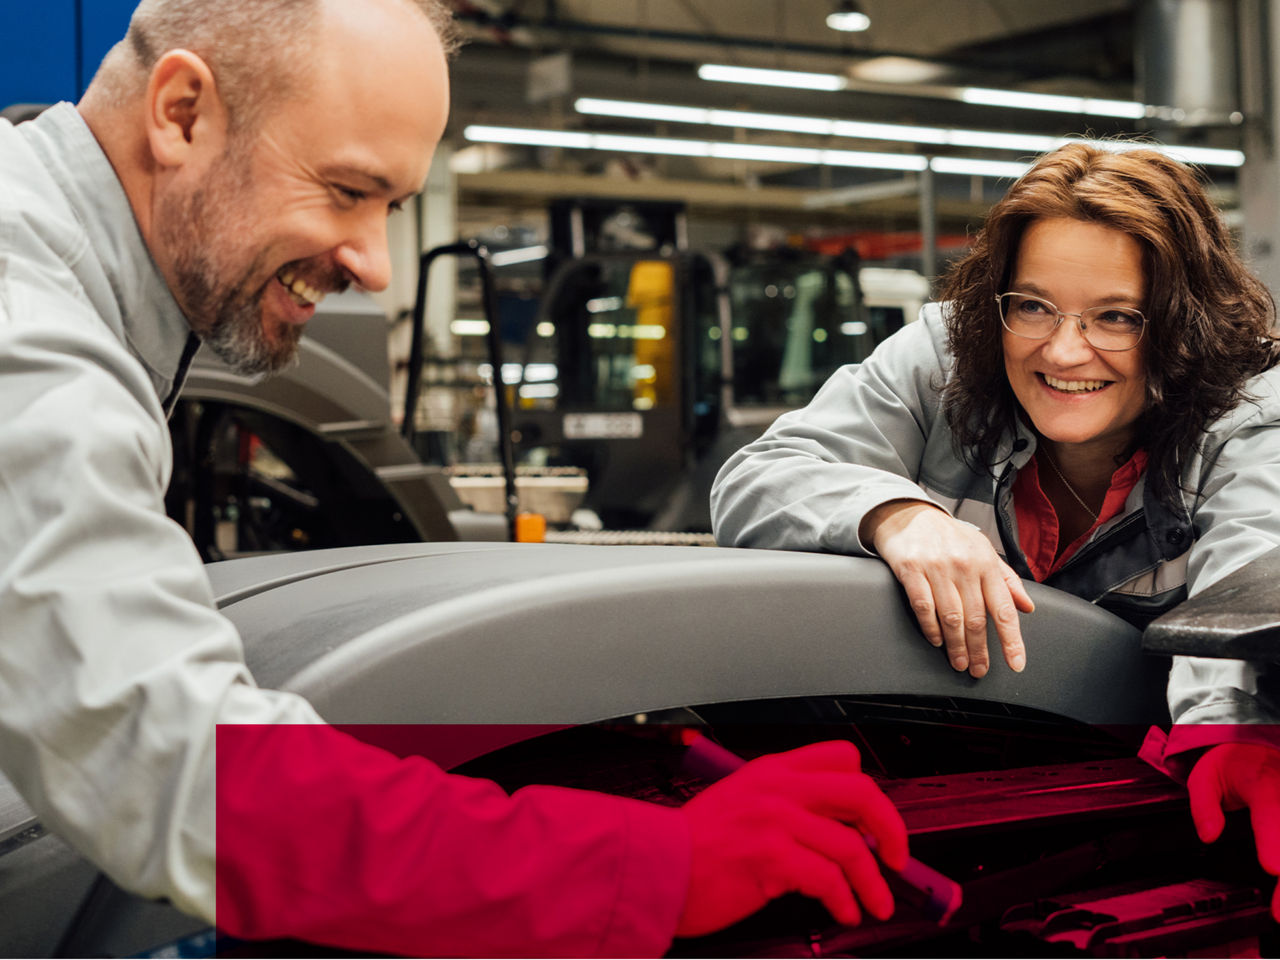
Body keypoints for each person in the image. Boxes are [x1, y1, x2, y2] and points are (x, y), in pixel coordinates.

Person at [0, 0, 910, 955]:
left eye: (390, 207)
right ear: (181, 111)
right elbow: (184, 777)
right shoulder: (30, 335)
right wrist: (663, 867)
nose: (377, 264)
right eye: (347, 189)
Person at [712, 142, 1280, 920]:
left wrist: (1234, 734)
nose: (1064, 349)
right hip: (966, 801)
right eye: (1034, 305)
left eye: (1116, 316)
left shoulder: (1250, 412)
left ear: (1183, 324)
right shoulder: (944, 355)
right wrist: (896, 514)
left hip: (1148, 815)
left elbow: (1251, 577)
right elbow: (759, 476)